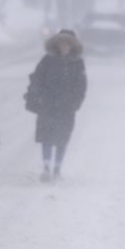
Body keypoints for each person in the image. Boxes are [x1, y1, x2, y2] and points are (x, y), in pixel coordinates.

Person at [26, 29, 86, 182]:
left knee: (62, 138)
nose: (64, 46)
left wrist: (75, 102)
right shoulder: (47, 60)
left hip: (67, 108)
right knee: (46, 137)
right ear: (57, 44)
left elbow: (81, 86)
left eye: (67, 43)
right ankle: (46, 168)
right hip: (47, 106)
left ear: (72, 45)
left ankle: (57, 169)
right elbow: (37, 79)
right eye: (62, 43)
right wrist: (39, 97)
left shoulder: (77, 63)